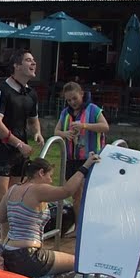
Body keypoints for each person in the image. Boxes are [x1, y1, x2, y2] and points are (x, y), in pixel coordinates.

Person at [0, 49, 44, 244]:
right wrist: (18, 143)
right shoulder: (2, 91)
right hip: (2, 150)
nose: (33, 64)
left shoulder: (31, 93)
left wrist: (37, 133)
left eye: (34, 60)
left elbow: (33, 120)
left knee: (12, 199)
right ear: (16, 66)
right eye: (28, 60)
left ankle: (5, 241)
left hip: (20, 151)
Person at [0, 154, 99, 278]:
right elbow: (67, 191)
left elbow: (0, 218)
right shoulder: (38, 189)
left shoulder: (12, 189)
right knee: (77, 264)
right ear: (41, 173)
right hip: (28, 256)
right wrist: (85, 166)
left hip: (7, 253)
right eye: (50, 176)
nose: (51, 181)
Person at [53, 81, 109, 217]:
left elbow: (105, 127)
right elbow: (56, 131)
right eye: (69, 100)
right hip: (72, 159)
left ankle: (88, 225)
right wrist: (65, 134)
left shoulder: (93, 109)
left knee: (86, 193)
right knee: (76, 195)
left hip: (89, 158)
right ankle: (78, 228)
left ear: (82, 94)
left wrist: (85, 126)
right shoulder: (65, 113)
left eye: (75, 98)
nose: (72, 102)